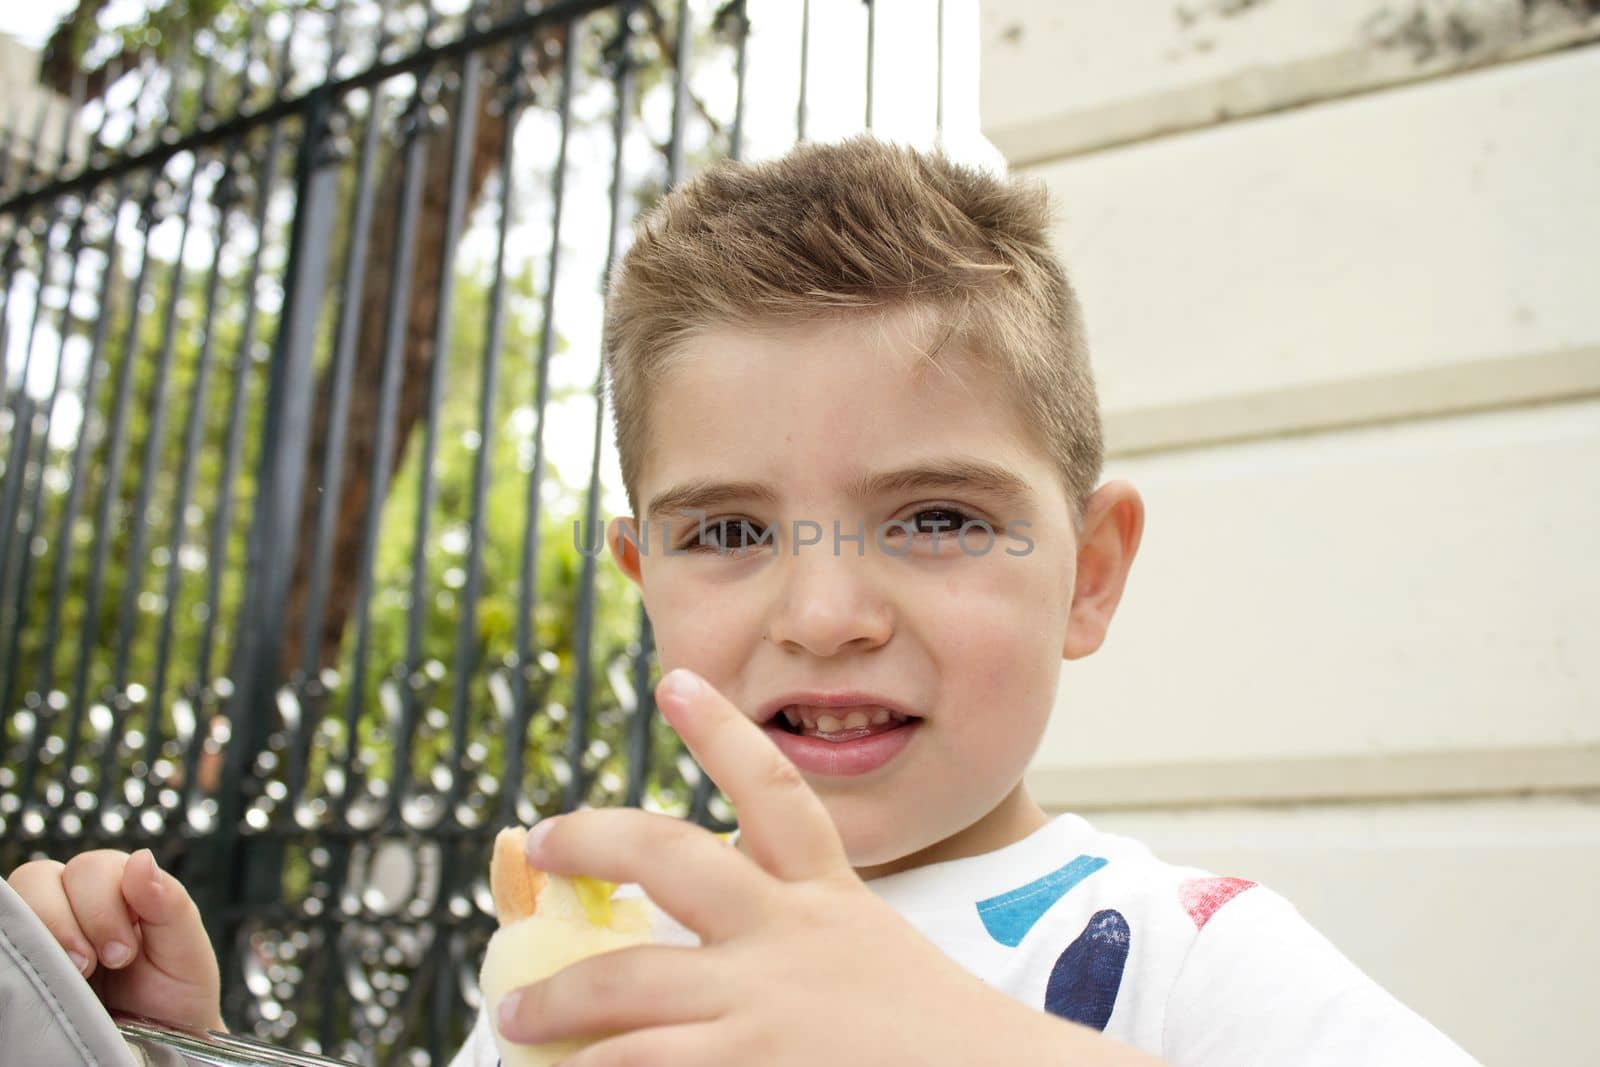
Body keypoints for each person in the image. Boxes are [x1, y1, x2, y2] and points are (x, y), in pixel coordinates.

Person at [5, 135, 1482, 1066]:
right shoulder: (593, 952)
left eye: (942, 516)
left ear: (1089, 572)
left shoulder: (1184, 956)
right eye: (726, 529)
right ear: (644, 584)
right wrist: (173, 1056)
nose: (827, 609)